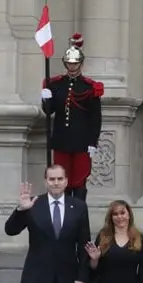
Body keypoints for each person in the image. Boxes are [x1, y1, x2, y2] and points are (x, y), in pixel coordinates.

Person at [41, 33, 104, 202]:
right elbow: (49, 111)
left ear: (81, 64)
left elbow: (95, 118)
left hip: (82, 141)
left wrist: (93, 142)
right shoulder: (55, 84)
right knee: (62, 180)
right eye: (69, 62)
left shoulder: (89, 87)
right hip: (61, 140)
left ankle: (79, 214)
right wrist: (46, 98)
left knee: (79, 181)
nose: (72, 66)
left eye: (75, 63)